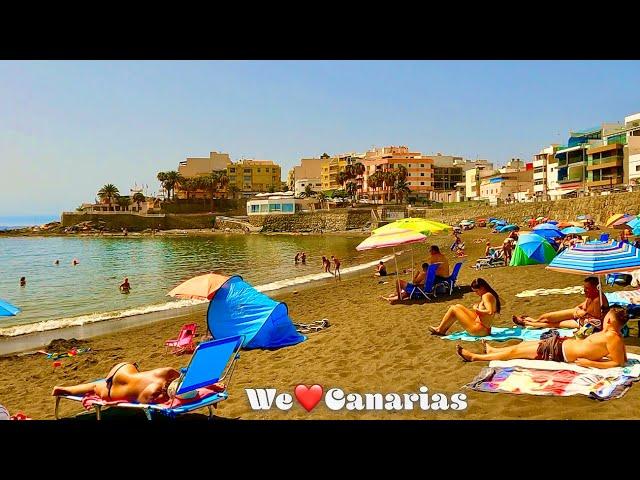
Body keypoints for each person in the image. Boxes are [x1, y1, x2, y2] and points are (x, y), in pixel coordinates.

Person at [457, 307, 628, 368]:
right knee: (525, 344)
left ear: (611, 320)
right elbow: (623, 357)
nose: (605, 317)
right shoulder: (612, 336)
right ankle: (495, 350)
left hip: (560, 352)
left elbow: (618, 362)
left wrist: (590, 363)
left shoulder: (613, 338)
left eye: (607, 316)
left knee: (517, 351)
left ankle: (475, 357)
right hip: (560, 344)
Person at [52, 362, 189, 404]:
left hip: (123, 368)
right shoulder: (152, 394)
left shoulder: (168, 371)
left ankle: (63, 388)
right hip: (112, 393)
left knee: (97, 385)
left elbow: (185, 376)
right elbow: (144, 402)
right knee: (95, 387)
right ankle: (65, 389)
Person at [512, 276, 608, 331]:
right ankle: (534, 320)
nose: (584, 291)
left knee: (556, 324)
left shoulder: (598, 300)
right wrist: (578, 310)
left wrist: (582, 313)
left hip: (583, 322)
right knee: (548, 316)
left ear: (596, 288)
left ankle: (526, 322)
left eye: (587, 289)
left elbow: (596, 320)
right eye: (584, 288)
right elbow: (582, 306)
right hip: (577, 314)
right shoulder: (591, 296)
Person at [428, 278, 500, 336]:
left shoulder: (486, 296)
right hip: (485, 328)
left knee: (453, 308)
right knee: (458, 306)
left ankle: (440, 330)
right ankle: (442, 329)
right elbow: (500, 303)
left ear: (482, 288)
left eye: (477, 291)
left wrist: (477, 309)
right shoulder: (491, 294)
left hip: (480, 330)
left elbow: (490, 312)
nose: (476, 293)